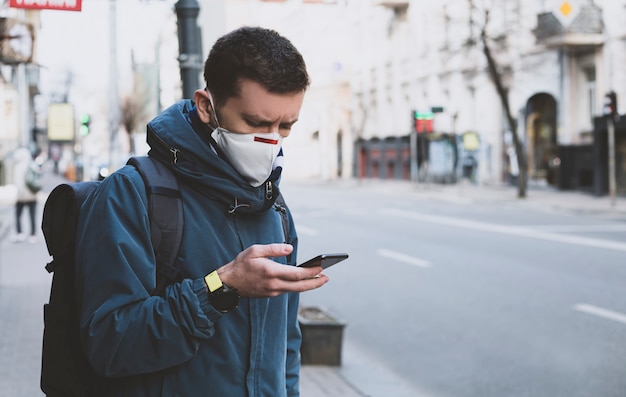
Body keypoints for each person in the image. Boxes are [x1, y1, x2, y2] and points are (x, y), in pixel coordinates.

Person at [74, 26, 329, 396]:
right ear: (207, 106)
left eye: (285, 126)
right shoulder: (133, 193)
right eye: (256, 123)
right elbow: (111, 344)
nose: (271, 141)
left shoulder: (275, 207)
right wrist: (220, 287)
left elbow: (286, 347)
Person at [10, 147, 38, 244]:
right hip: (32, 195)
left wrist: (21, 194)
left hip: (22, 196)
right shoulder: (32, 164)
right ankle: (33, 235)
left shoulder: (18, 167)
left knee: (18, 215)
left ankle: (20, 233)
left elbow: (18, 183)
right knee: (32, 215)